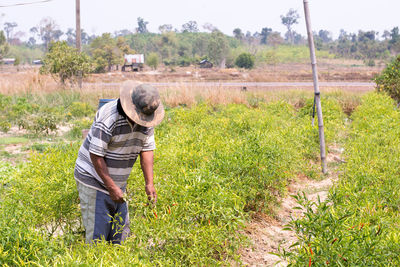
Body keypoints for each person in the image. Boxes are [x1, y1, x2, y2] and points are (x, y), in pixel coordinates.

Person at [74, 81, 164, 244]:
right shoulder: (109, 116)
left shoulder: (146, 119)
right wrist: (111, 187)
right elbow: (96, 155)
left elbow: (147, 149)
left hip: (117, 183)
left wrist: (149, 183)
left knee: (120, 237)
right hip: (94, 179)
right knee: (98, 239)